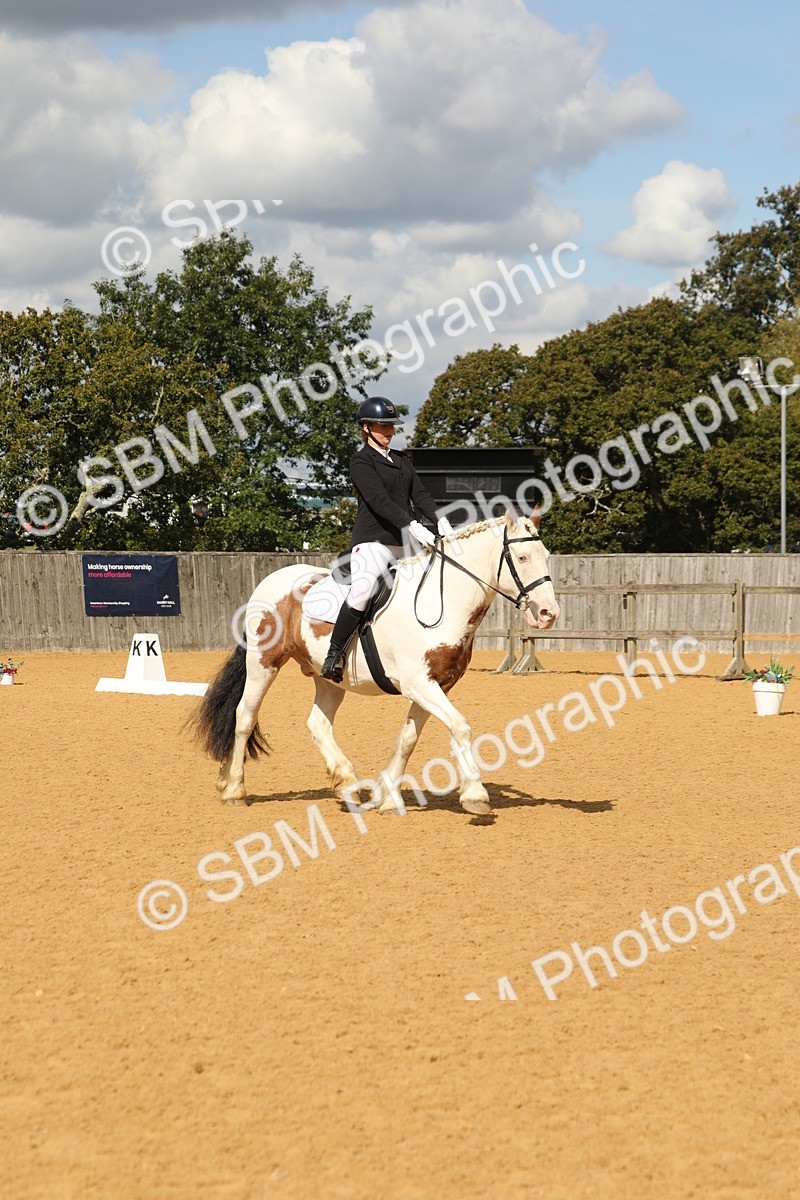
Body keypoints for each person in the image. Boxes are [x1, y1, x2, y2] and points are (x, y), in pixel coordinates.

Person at [320, 396, 453, 682]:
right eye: (383, 426)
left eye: (391, 426)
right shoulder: (361, 461)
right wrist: (413, 524)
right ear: (366, 428)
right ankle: (334, 654)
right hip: (373, 541)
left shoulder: (402, 461)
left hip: (405, 544)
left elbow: (420, 495)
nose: (389, 431)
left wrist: (440, 519)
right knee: (362, 591)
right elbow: (379, 501)